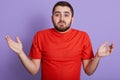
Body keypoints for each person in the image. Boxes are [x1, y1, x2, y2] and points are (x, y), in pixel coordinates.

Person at [5, 1, 114, 80]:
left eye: (66, 15)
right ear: (52, 18)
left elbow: (88, 71)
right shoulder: (40, 36)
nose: (62, 19)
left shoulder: (83, 36)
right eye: (57, 14)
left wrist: (98, 56)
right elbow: (33, 70)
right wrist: (20, 53)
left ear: (72, 19)